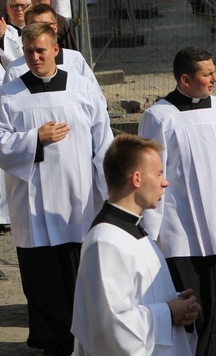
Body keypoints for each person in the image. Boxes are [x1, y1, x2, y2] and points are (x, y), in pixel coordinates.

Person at [0, 23, 113, 356]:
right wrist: (33, 140)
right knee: (44, 281)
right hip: (34, 205)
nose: (35, 57)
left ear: (56, 49)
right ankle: (52, 342)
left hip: (79, 200)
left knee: (80, 275)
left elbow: (103, 142)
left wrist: (109, 195)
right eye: (28, 52)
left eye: (41, 50)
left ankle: (86, 337)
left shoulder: (82, 87)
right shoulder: (11, 94)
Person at [71, 134, 199, 355]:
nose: (165, 181)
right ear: (137, 179)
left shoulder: (136, 230)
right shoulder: (105, 242)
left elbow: (137, 298)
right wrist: (168, 313)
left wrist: (179, 305)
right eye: (159, 173)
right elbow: (109, 327)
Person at [139, 46, 216, 355]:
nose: (214, 79)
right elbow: (151, 173)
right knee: (193, 309)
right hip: (182, 230)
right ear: (185, 79)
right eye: (207, 74)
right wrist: (152, 232)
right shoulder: (159, 116)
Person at [5, 4, 96, 86]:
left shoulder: (74, 59)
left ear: (55, 28)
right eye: (34, 25)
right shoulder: (15, 69)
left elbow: (93, 94)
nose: (40, 30)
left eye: (45, 25)